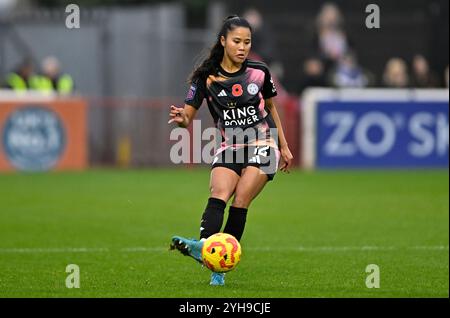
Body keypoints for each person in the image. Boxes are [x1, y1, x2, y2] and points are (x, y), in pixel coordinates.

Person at [168, 15, 293, 286]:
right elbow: (189, 116)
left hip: (263, 142)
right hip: (231, 144)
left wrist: (283, 145)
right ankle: (203, 248)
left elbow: (271, 108)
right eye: (237, 41)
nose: (243, 47)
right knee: (219, 194)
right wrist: (182, 119)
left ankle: (218, 268)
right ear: (223, 41)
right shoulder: (206, 77)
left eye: (247, 42)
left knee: (240, 201)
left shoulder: (259, 71)